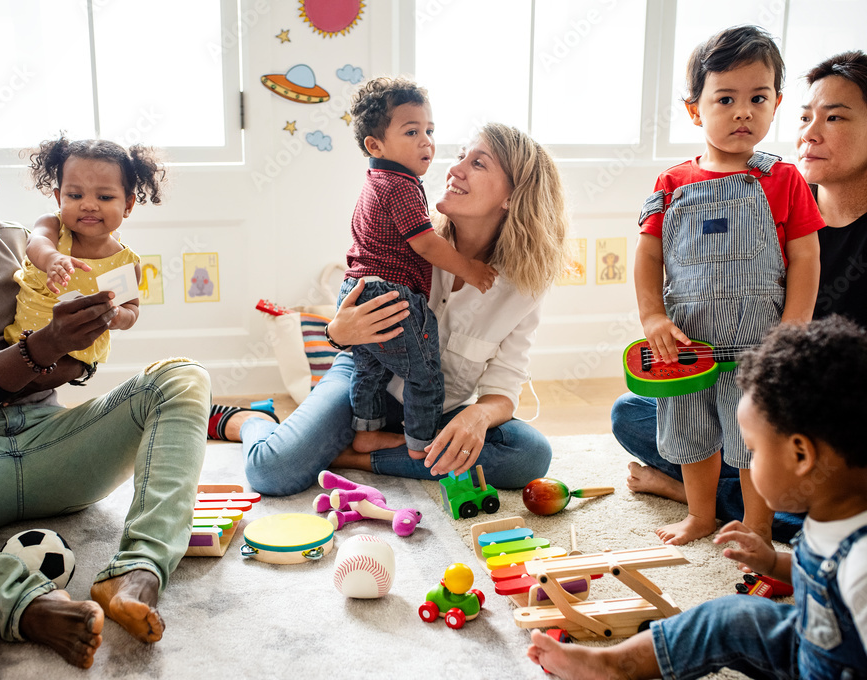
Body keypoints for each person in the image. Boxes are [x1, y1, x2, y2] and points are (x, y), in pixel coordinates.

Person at [0, 107, 210, 668]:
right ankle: (18, 605)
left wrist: (93, 336)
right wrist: (44, 349)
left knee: (181, 377)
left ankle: (138, 571)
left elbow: (87, 354)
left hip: (53, 445)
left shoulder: (16, 243)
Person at [218, 122, 567, 496]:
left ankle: (353, 457)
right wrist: (338, 333)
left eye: (478, 163)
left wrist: (478, 415)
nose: (454, 169)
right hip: (365, 380)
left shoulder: (524, 286)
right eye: (461, 156)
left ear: (513, 197)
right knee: (272, 471)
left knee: (528, 454)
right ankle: (250, 420)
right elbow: (343, 320)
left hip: (436, 409)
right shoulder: (408, 236)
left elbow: (504, 386)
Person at [614, 49, 867, 545]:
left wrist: (791, 329)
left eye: (757, 99)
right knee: (656, 420)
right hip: (697, 354)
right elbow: (647, 256)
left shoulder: (782, 181)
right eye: (725, 99)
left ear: (771, 103)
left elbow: (806, 262)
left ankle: (753, 518)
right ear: (695, 109)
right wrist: (653, 317)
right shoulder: (674, 184)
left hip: (781, 373)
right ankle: (706, 509)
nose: (742, 112)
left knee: (757, 444)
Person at [528, 317, 867, 680]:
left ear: (801, 456)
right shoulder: (829, 513)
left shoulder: (860, 567)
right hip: (808, 641)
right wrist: (771, 562)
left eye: (752, 451)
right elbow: (811, 572)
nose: (745, 461)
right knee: (728, 617)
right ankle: (613, 665)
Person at [340, 76, 497, 460]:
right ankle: (421, 445)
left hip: (357, 288)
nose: (426, 140)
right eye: (411, 131)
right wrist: (471, 270)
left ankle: (366, 433)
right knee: (425, 373)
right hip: (388, 293)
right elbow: (425, 243)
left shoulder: (377, 180)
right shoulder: (401, 185)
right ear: (375, 145)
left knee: (370, 371)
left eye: (429, 129)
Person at [4, 135, 163, 370]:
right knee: (18, 383)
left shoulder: (124, 263)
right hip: (25, 342)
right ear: (59, 198)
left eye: (105, 197)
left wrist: (118, 315)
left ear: (128, 205)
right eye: (75, 196)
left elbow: (132, 308)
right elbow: (35, 243)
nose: (88, 205)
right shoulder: (53, 227)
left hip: (78, 355)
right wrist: (52, 258)